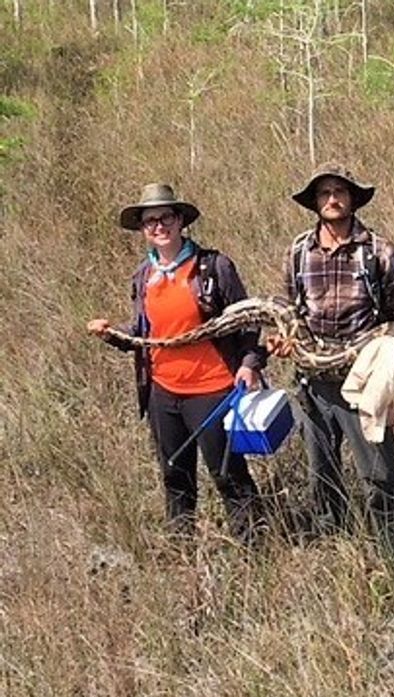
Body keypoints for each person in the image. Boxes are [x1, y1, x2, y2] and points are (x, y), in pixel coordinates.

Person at [87, 183, 266, 543]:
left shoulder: (213, 267)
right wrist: (112, 334)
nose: (158, 226)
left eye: (165, 217)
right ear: (142, 229)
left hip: (213, 389)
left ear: (180, 220)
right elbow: (145, 333)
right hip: (163, 392)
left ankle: (256, 549)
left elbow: (249, 320)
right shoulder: (144, 276)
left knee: (226, 472)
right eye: (150, 220)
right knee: (174, 474)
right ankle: (181, 549)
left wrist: (249, 363)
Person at [276, 162, 394, 579]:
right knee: (321, 475)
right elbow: (289, 311)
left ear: (353, 198)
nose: (332, 199)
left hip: (364, 381)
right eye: (324, 193)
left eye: (340, 191)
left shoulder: (379, 250)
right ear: (315, 203)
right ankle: (333, 556)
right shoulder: (299, 250)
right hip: (312, 380)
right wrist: (283, 340)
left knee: (379, 473)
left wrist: (387, 351)